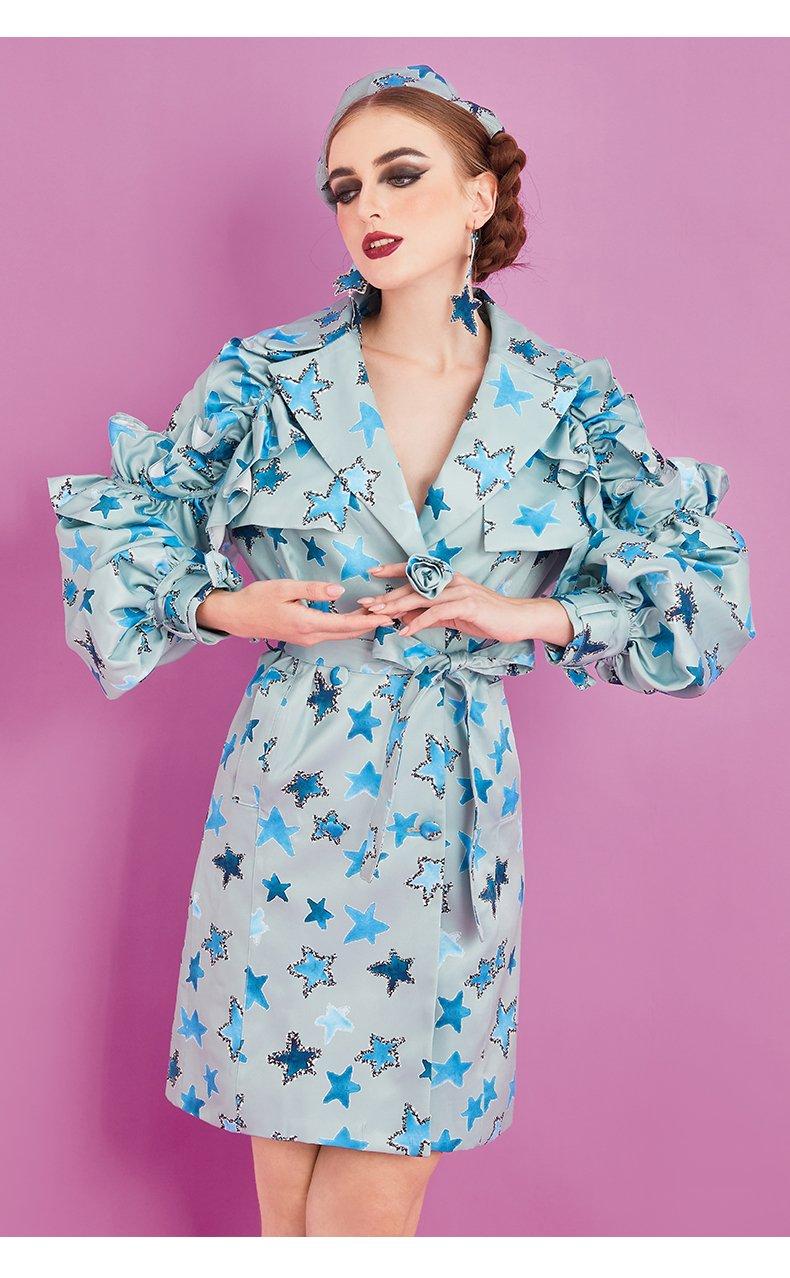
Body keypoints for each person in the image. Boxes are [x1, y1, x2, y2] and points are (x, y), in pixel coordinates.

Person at [45, 64, 755, 1237]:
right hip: (290, 782)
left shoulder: (568, 403)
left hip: (450, 796)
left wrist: (538, 617)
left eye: (401, 173)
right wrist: (232, 610)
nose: (367, 204)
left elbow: (702, 590)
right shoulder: (266, 379)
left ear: (479, 197)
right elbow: (125, 540)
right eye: (343, 187)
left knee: (383, 1176)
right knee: (287, 1187)